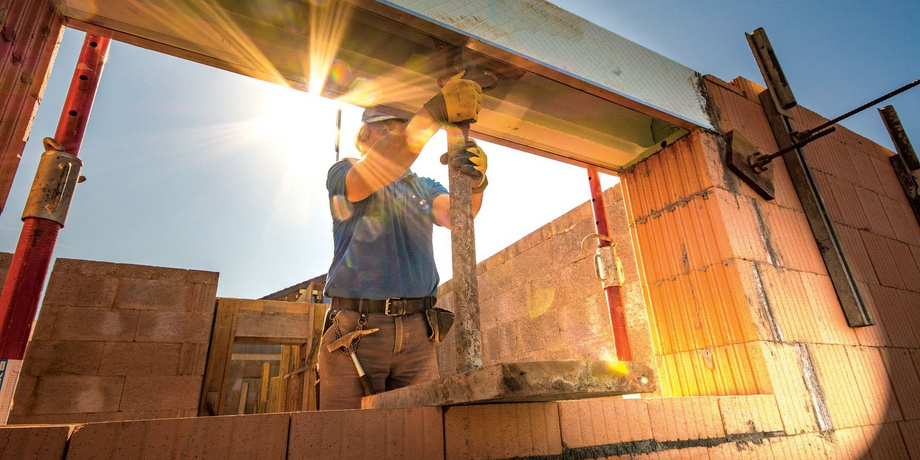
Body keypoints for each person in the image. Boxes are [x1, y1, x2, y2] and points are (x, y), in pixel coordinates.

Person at [319, 73, 488, 410]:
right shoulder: (345, 172)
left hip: (418, 332)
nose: (399, 134)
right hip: (356, 330)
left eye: (402, 126)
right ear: (365, 137)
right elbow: (383, 164)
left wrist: (478, 182)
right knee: (346, 440)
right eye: (388, 128)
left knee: (419, 435)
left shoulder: (423, 186)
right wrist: (435, 112)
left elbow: (458, 216)